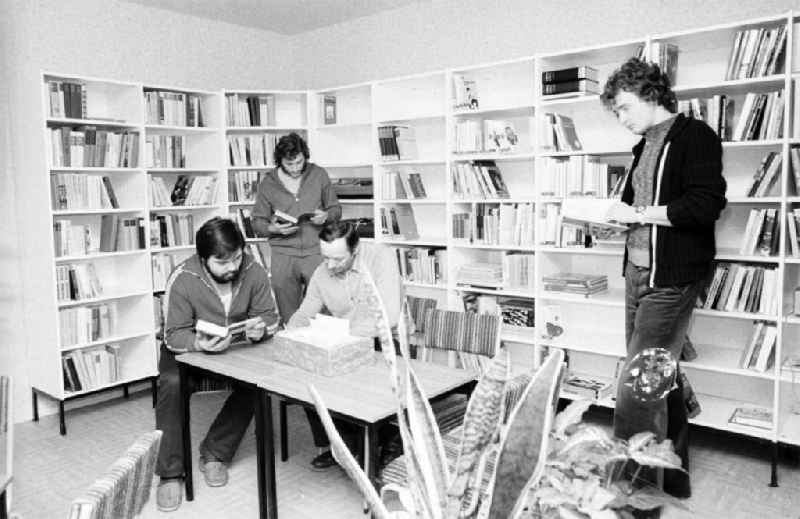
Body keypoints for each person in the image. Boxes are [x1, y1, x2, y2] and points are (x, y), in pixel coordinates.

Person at [600, 57, 726, 508]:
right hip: (637, 274)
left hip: (670, 281)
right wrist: (616, 220)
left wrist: (641, 215)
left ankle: (632, 496)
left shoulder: (696, 137)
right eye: (615, 112)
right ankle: (672, 478)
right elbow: (636, 207)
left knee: (637, 387)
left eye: (624, 108)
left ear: (651, 96)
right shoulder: (642, 146)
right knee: (658, 377)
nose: (621, 118)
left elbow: (705, 204)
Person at [155, 217, 280, 512]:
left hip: (235, 345)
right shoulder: (183, 277)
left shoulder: (254, 270)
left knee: (259, 381)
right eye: (222, 263)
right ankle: (170, 472)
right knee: (171, 384)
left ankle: (215, 452)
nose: (232, 268)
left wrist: (261, 329)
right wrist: (198, 344)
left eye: (237, 258)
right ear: (203, 258)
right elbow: (173, 334)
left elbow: (271, 317)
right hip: (189, 348)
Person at [287, 220, 404, 469]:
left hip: (385, 342)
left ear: (356, 249)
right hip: (345, 344)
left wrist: (336, 333)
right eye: (325, 257)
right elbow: (304, 313)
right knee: (308, 379)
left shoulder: (381, 258)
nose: (330, 265)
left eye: (337, 259)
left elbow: (388, 317)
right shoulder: (322, 272)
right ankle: (344, 445)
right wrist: (288, 336)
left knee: (377, 393)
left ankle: (388, 444)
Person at [251, 132, 342, 325]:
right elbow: (257, 222)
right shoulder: (268, 183)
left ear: (305, 157)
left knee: (322, 311)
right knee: (289, 315)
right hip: (283, 255)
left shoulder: (318, 174)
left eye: (299, 162)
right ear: (280, 161)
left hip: (316, 251)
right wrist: (273, 229)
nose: (294, 168)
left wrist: (326, 216)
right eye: (289, 164)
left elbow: (335, 209)